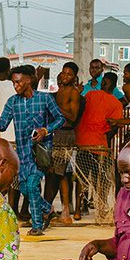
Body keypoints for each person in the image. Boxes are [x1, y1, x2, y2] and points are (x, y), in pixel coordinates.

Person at [0, 65, 66, 237]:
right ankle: (48, 209)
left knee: (32, 186)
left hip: (40, 153)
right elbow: (2, 124)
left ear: (29, 80)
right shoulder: (12, 102)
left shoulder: (45, 99)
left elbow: (60, 118)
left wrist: (46, 130)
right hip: (22, 153)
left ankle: (37, 225)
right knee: (25, 189)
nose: (15, 86)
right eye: (13, 82)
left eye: (18, 82)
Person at [73, 72, 127, 225]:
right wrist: (105, 138)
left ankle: (77, 210)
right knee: (100, 179)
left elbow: (80, 108)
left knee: (81, 178)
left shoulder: (90, 95)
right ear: (115, 85)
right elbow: (114, 127)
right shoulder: (116, 104)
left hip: (82, 140)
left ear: (103, 83)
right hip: (100, 145)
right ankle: (101, 210)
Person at [46, 62, 82, 224]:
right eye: (63, 73)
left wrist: (56, 108)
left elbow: (73, 117)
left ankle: (65, 212)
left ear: (74, 77)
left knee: (60, 174)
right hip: (56, 133)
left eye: (69, 74)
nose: (65, 76)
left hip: (66, 135)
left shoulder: (73, 93)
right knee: (57, 174)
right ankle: (56, 210)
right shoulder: (59, 91)